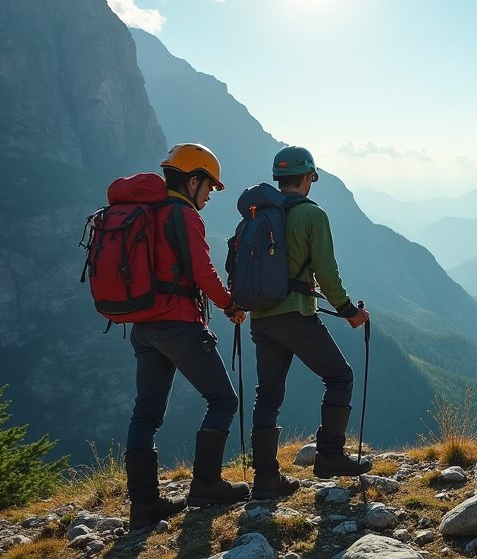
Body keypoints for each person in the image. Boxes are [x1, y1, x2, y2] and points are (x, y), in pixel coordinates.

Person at [124, 143, 250, 529]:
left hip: (143, 328)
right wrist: (231, 305)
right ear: (193, 180)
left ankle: (144, 506)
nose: (210, 195)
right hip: (179, 324)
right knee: (223, 399)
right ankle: (206, 484)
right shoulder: (184, 215)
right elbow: (202, 271)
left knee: (145, 414)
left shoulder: (147, 213)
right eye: (209, 187)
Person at [247, 145, 371, 499]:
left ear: (278, 179)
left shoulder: (259, 215)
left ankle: (266, 478)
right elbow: (327, 274)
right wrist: (349, 311)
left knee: (267, 396)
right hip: (296, 316)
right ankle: (329, 456)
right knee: (339, 376)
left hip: (262, 318)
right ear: (308, 178)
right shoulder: (312, 215)